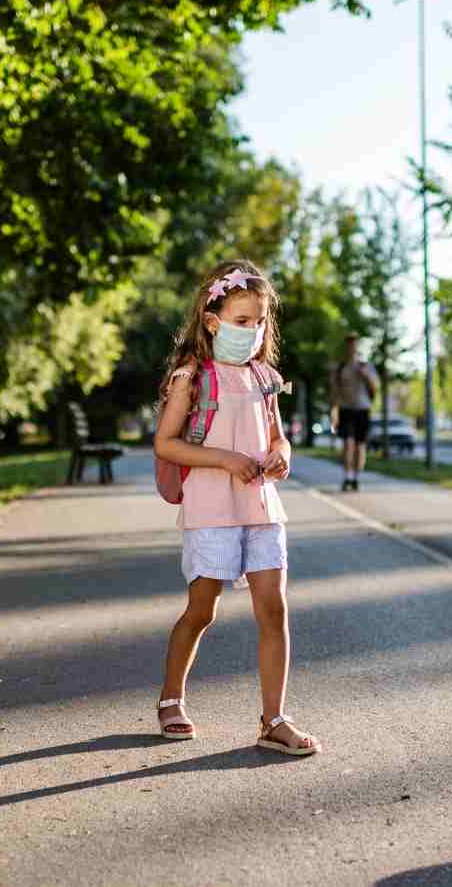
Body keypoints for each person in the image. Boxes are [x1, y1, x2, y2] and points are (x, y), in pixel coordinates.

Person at [151, 259, 320, 756]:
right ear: (212, 320)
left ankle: (275, 719)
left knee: (274, 609)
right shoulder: (191, 377)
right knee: (201, 611)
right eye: (242, 320)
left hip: (262, 508)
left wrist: (282, 454)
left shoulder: (263, 377)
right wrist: (224, 459)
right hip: (211, 510)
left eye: (260, 321)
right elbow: (166, 443)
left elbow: (277, 436)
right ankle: (170, 697)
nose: (253, 331)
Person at [329, 335, 378, 492]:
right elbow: (335, 392)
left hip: (363, 409)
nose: (352, 348)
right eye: (349, 345)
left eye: (355, 345)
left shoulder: (366, 366)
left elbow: (375, 388)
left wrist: (365, 375)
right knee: (348, 444)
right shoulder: (341, 367)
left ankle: (356, 478)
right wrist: (333, 411)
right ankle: (347, 477)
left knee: (359, 446)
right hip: (345, 409)